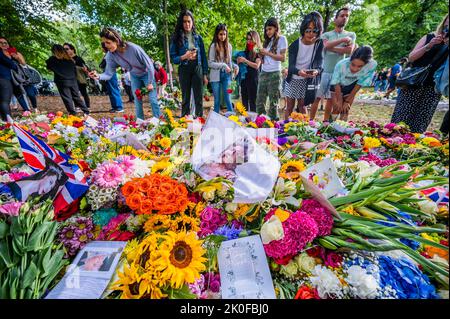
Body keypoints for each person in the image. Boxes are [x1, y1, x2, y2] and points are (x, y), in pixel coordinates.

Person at [391, 14, 449, 133]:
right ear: (445, 21)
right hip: (414, 82)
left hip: (433, 88)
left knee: (421, 122)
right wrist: (429, 45)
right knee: (401, 119)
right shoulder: (429, 37)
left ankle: (412, 148)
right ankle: (392, 144)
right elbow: (411, 57)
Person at [89, 27, 160, 119]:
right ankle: (140, 121)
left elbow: (149, 65)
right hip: (134, 76)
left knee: (152, 99)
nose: (105, 45)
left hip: (147, 74)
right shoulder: (110, 55)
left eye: (108, 42)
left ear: (116, 40)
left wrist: (150, 82)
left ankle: (158, 120)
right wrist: (98, 76)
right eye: (104, 43)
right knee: (137, 100)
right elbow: (108, 74)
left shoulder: (133, 48)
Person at [309, 7, 356, 121]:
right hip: (323, 71)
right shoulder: (326, 34)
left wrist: (331, 47)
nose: (344, 18)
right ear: (335, 19)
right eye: (342, 15)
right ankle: (310, 122)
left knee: (330, 100)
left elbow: (349, 51)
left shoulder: (351, 34)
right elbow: (324, 46)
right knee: (316, 98)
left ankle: (326, 123)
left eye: (347, 16)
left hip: (338, 74)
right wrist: (342, 41)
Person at [284, 12, 324, 120]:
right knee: (289, 107)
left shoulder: (318, 45)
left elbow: (320, 65)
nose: (311, 33)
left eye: (314, 30)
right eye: (308, 30)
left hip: (306, 81)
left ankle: (305, 128)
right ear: (303, 30)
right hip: (293, 79)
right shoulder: (294, 45)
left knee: (303, 106)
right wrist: (299, 72)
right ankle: (285, 127)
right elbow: (291, 67)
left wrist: (316, 71)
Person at [170, 10, 208, 118]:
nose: (187, 24)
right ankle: (184, 122)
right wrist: (184, 56)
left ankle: (200, 120)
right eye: (184, 22)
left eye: (189, 21)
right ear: (181, 23)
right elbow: (174, 58)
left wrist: (205, 74)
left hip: (197, 68)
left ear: (192, 22)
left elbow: (204, 57)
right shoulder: (176, 38)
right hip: (184, 69)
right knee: (186, 98)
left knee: (198, 98)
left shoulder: (198, 38)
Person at [329, 45, 377, 121]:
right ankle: (328, 128)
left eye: (360, 66)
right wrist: (340, 100)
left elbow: (360, 83)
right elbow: (336, 82)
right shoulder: (341, 64)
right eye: (353, 64)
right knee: (337, 108)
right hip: (337, 85)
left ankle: (342, 130)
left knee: (345, 110)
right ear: (350, 59)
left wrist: (347, 101)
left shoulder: (371, 65)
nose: (354, 69)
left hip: (352, 85)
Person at [255, 18, 288, 120]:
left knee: (273, 103)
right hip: (264, 73)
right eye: (266, 30)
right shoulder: (267, 42)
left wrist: (267, 53)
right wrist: (260, 55)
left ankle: (273, 126)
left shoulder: (282, 39)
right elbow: (264, 61)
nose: (267, 32)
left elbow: (283, 58)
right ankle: (261, 122)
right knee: (260, 101)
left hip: (275, 73)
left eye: (270, 29)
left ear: (276, 28)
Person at [46, 44, 90, 116]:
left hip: (61, 81)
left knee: (67, 97)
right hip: (73, 80)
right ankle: (86, 111)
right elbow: (74, 69)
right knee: (76, 96)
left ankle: (72, 113)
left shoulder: (52, 59)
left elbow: (49, 68)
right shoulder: (70, 59)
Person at [0, 156, 68, 202]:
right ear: (45, 175)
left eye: (51, 187)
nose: (48, 189)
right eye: (50, 182)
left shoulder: (34, 197)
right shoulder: (19, 189)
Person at [208, 24, 234, 114]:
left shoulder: (229, 46)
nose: (222, 36)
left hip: (226, 76)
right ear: (217, 35)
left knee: (228, 98)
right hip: (215, 76)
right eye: (220, 34)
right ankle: (215, 120)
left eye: (224, 34)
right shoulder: (213, 46)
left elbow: (229, 62)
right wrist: (223, 65)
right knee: (217, 100)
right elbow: (210, 63)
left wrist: (232, 74)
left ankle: (232, 118)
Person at [236, 31, 262, 113]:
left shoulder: (259, 52)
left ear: (255, 40)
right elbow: (239, 65)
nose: (248, 41)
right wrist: (238, 62)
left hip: (254, 80)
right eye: (247, 39)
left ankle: (253, 122)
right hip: (244, 79)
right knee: (244, 102)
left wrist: (245, 60)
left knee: (253, 102)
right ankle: (245, 121)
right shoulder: (244, 52)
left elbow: (256, 66)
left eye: (251, 39)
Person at [63, 43, 91, 110]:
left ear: (72, 50)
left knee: (84, 93)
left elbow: (86, 69)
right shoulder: (66, 59)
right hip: (71, 79)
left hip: (80, 79)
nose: (65, 51)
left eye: (67, 49)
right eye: (64, 49)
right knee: (73, 94)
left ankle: (87, 106)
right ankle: (77, 106)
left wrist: (83, 69)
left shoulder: (78, 59)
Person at [99, 42, 124, 113]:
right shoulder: (106, 55)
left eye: (102, 47)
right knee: (110, 90)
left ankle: (119, 107)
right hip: (106, 73)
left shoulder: (110, 55)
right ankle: (114, 106)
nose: (102, 49)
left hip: (111, 73)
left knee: (113, 89)